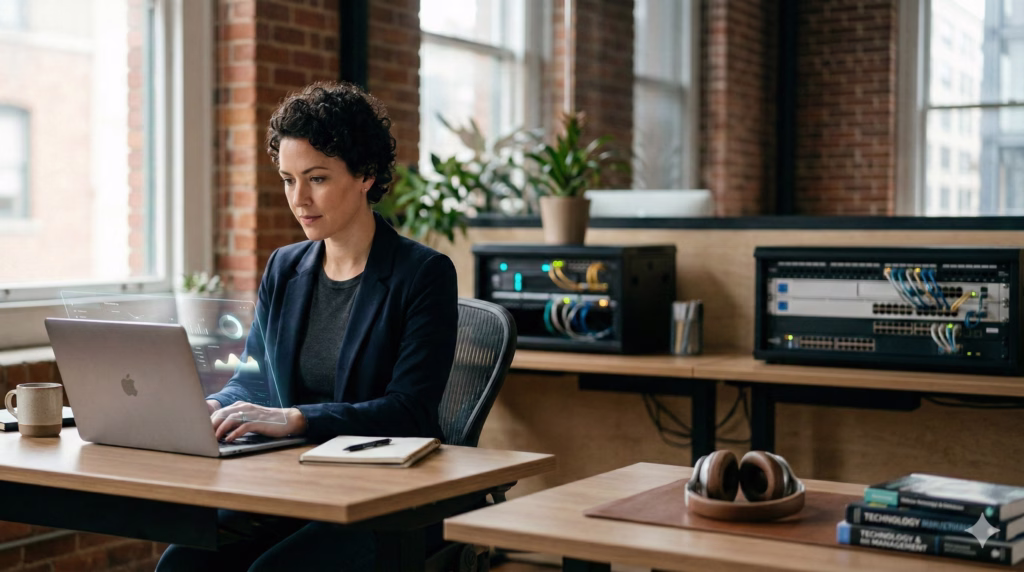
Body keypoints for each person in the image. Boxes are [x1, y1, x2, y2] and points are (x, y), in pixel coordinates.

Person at [156, 81, 458, 571]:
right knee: (183, 563)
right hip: (295, 481)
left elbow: (410, 411)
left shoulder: (423, 273)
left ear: (365, 174)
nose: (299, 199)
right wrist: (208, 409)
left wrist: (298, 419)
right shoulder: (285, 267)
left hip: (385, 494)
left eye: (316, 178)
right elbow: (255, 380)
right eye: (288, 179)